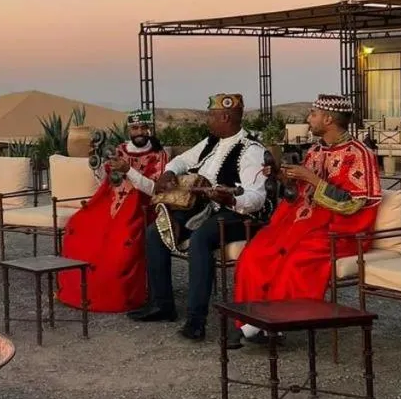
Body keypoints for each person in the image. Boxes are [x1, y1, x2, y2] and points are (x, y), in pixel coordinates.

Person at [230, 94, 382, 345]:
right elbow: (301, 192)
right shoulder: (316, 149)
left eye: (313, 114)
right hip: (305, 219)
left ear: (328, 118)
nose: (308, 119)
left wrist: (311, 179)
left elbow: (354, 202)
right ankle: (252, 318)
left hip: (342, 229)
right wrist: (284, 177)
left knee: (295, 259)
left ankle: (272, 324)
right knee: (256, 252)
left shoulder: (360, 154)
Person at [132, 92, 268, 341]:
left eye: (211, 116)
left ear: (225, 116)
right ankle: (163, 305)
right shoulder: (211, 142)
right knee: (155, 232)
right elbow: (183, 159)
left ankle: (196, 320)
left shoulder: (251, 150)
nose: (208, 120)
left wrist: (230, 198)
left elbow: (256, 198)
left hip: (238, 214)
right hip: (205, 208)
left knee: (201, 240)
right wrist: (169, 172)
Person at [58, 111, 169, 312]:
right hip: (111, 203)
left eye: (143, 128)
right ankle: (79, 292)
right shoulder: (120, 149)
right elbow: (107, 181)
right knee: (77, 228)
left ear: (149, 129)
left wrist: (129, 170)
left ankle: (119, 295)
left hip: (140, 209)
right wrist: (96, 164)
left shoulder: (158, 155)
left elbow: (154, 189)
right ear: (129, 130)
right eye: (135, 128)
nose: (139, 132)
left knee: (120, 242)